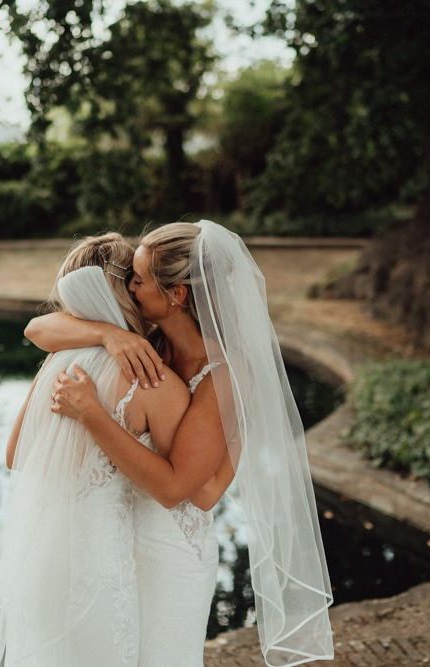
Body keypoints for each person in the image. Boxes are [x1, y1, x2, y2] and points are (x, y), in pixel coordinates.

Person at [29, 220, 334, 666]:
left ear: (177, 295)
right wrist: (109, 334)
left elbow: (184, 491)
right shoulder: (146, 342)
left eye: (138, 278)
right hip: (121, 539)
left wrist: (93, 415)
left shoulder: (225, 375)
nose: (129, 288)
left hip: (170, 549)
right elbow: (38, 328)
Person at [0, 232, 213, 666]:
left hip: (44, 552)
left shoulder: (58, 363)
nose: (137, 287)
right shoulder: (156, 380)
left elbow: (15, 455)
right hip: (104, 558)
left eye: (142, 280)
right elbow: (188, 489)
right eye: (132, 280)